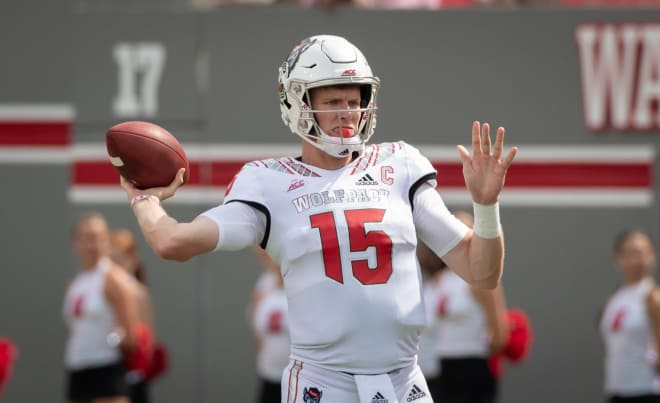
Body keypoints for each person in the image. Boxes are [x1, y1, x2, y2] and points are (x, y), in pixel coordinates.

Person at [118, 34, 517, 403]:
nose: (348, 113)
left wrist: (486, 206)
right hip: (324, 384)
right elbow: (173, 242)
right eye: (332, 101)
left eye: (355, 100)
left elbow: (482, 273)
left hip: (404, 381)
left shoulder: (400, 163)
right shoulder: (268, 184)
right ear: (297, 103)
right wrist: (144, 199)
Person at [419, 210, 509, 403]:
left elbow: (500, 333)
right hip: (442, 367)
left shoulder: (481, 280)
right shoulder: (440, 279)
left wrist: (477, 353)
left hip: (472, 366)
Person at [63, 212, 142, 403]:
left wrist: (117, 338)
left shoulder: (113, 278)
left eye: (98, 237)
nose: (92, 244)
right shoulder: (75, 283)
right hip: (78, 367)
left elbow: (132, 336)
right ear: (76, 242)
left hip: (106, 369)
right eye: (86, 238)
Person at [600, 230, 660, 403]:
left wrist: (652, 359)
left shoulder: (652, 297)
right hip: (617, 389)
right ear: (618, 258)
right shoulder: (613, 300)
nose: (636, 259)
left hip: (646, 389)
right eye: (630, 253)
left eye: (642, 253)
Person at [110, 228, 164, 403]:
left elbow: (146, 338)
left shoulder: (138, 292)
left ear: (132, 260)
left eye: (119, 260)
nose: (114, 268)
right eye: (111, 261)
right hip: (109, 368)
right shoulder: (106, 290)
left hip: (131, 373)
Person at [249, 246, 290, 403]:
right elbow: (256, 328)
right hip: (268, 375)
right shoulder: (264, 285)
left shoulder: (300, 284)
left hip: (295, 379)